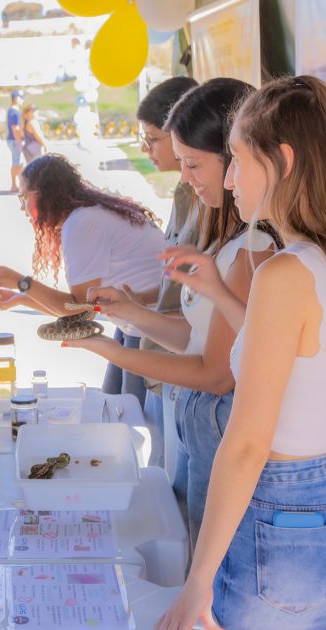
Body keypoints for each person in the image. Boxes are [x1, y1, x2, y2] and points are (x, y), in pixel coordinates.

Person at [154, 74, 326, 630]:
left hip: (298, 527)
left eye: (237, 159)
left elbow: (245, 447)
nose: (231, 178)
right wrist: (218, 291)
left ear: (283, 160)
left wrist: (198, 581)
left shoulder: (286, 273)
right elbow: (309, 359)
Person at [62, 79, 277, 546]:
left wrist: (106, 349)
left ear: (236, 156)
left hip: (221, 433)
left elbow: (215, 373)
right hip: (201, 433)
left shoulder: (256, 247)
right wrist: (134, 314)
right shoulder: (226, 236)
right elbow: (195, 337)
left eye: (193, 163)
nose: (185, 177)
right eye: (181, 163)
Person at [0, 154, 164, 408]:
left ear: (44, 194)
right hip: (136, 323)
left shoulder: (82, 223)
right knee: (112, 408)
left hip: (150, 330)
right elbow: (80, 309)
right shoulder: (85, 216)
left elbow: (79, 310)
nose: (22, 206)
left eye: (24, 197)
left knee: (128, 418)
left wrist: (23, 283)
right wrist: (22, 298)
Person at [110, 76, 198, 471]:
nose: (146, 149)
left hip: (189, 371)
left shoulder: (217, 202)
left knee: (174, 488)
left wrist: (136, 314)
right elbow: (178, 291)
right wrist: (136, 305)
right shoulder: (185, 192)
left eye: (153, 138)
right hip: (166, 363)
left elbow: (201, 312)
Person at [7, 90, 25, 191]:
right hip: (14, 140)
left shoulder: (12, 110)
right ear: (16, 99)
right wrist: (19, 141)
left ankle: (19, 184)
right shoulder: (15, 112)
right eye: (21, 98)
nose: (22, 100)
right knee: (16, 163)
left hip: (13, 140)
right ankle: (14, 185)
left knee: (19, 162)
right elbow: (15, 128)